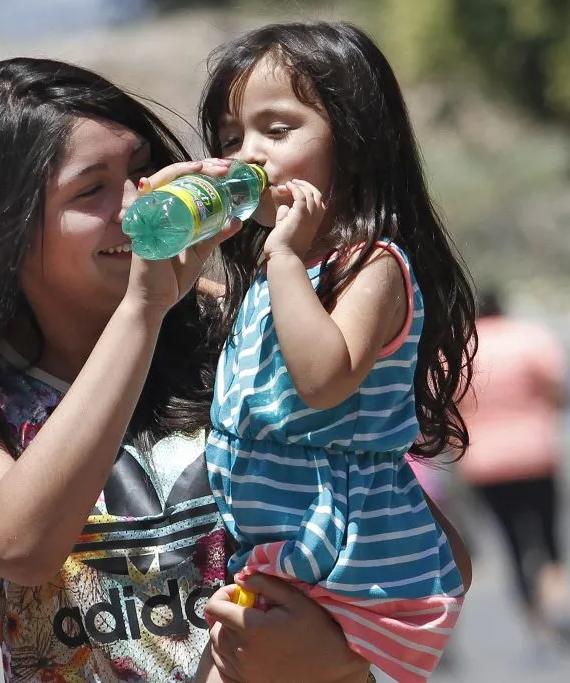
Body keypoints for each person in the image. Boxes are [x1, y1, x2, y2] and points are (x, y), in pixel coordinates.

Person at [0, 57, 373, 683]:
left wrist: (342, 649)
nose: (137, 203)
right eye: (90, 189)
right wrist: (142, 313)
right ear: (1, 231)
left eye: (142, 169)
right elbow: (22, 545)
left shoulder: (246, 326)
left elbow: (422, 539)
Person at [197, 22, 476, 682]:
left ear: (351, 143)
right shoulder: (272, 278)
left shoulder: (371, 266)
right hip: (282, 547)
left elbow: (323, 379)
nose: (249, 156)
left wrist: (285, 257)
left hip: (337, 549)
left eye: (276, 129)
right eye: (231, 137)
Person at [457, 289, 570, 658]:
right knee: (549, 536)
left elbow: (446, 404)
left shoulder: (461, 350)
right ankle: (560, 603)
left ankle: (536, 627)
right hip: (536, 452)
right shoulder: (529, 337)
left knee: (511, 545)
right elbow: (557, 387)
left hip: (486, 463)